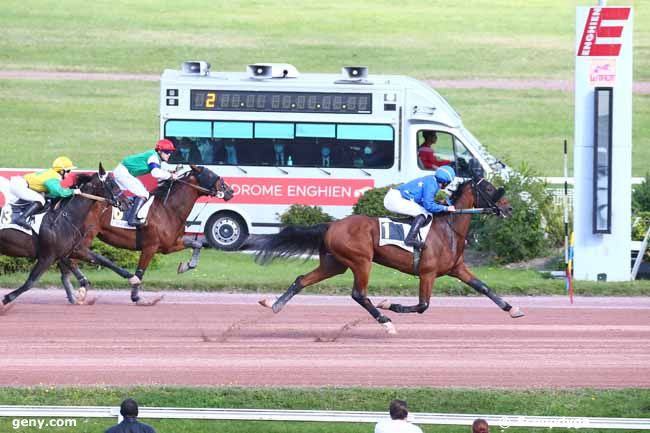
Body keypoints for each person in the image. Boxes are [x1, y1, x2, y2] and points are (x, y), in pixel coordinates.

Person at [383, 165, 457, 249]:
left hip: (395, 196)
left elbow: (424, 202)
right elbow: (428, 205)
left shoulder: (431, 179)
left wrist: (439, 205)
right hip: (394, 199)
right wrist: (446, 208)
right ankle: (410, 239)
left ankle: (408, 229)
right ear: (445, 182)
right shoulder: (432, 185)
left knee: (424, 212)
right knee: (423, 213)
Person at [113, 139, 178, 226]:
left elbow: (157, 169)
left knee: (144, 192)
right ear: (159, 151)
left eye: (170, 152)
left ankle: (131, 211)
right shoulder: (153, 157)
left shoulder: (155, 157)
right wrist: (170, 176)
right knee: (144, 194)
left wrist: (168, 172)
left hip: (125, 172)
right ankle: (133, 219)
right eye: (167, 151)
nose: (169, 154)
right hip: (123, 172)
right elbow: (155, 173)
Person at [9, 156, 80, 229]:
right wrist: (73, 191)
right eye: (68, 171)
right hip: (19, 185)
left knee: (42, 195)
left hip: (19, 183)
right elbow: (59, 192)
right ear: (61, 171)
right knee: (40, 199)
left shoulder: (52, 173)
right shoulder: (53, 177)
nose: (69, 173)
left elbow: (51, 193)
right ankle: (22, 218)